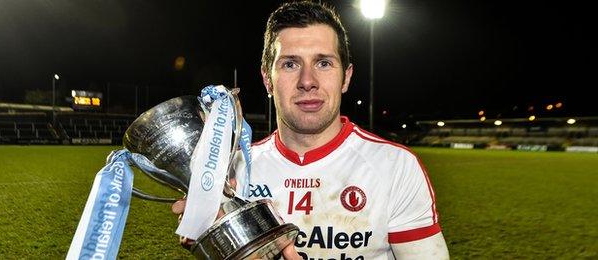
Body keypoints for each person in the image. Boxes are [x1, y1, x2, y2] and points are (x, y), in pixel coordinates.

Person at [173, 1, 449, 259]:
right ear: (267, 80)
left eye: (324, 63)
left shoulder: (395, 166)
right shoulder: (233, 172)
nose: (308, 81)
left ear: (346, 77)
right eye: (290, 64)